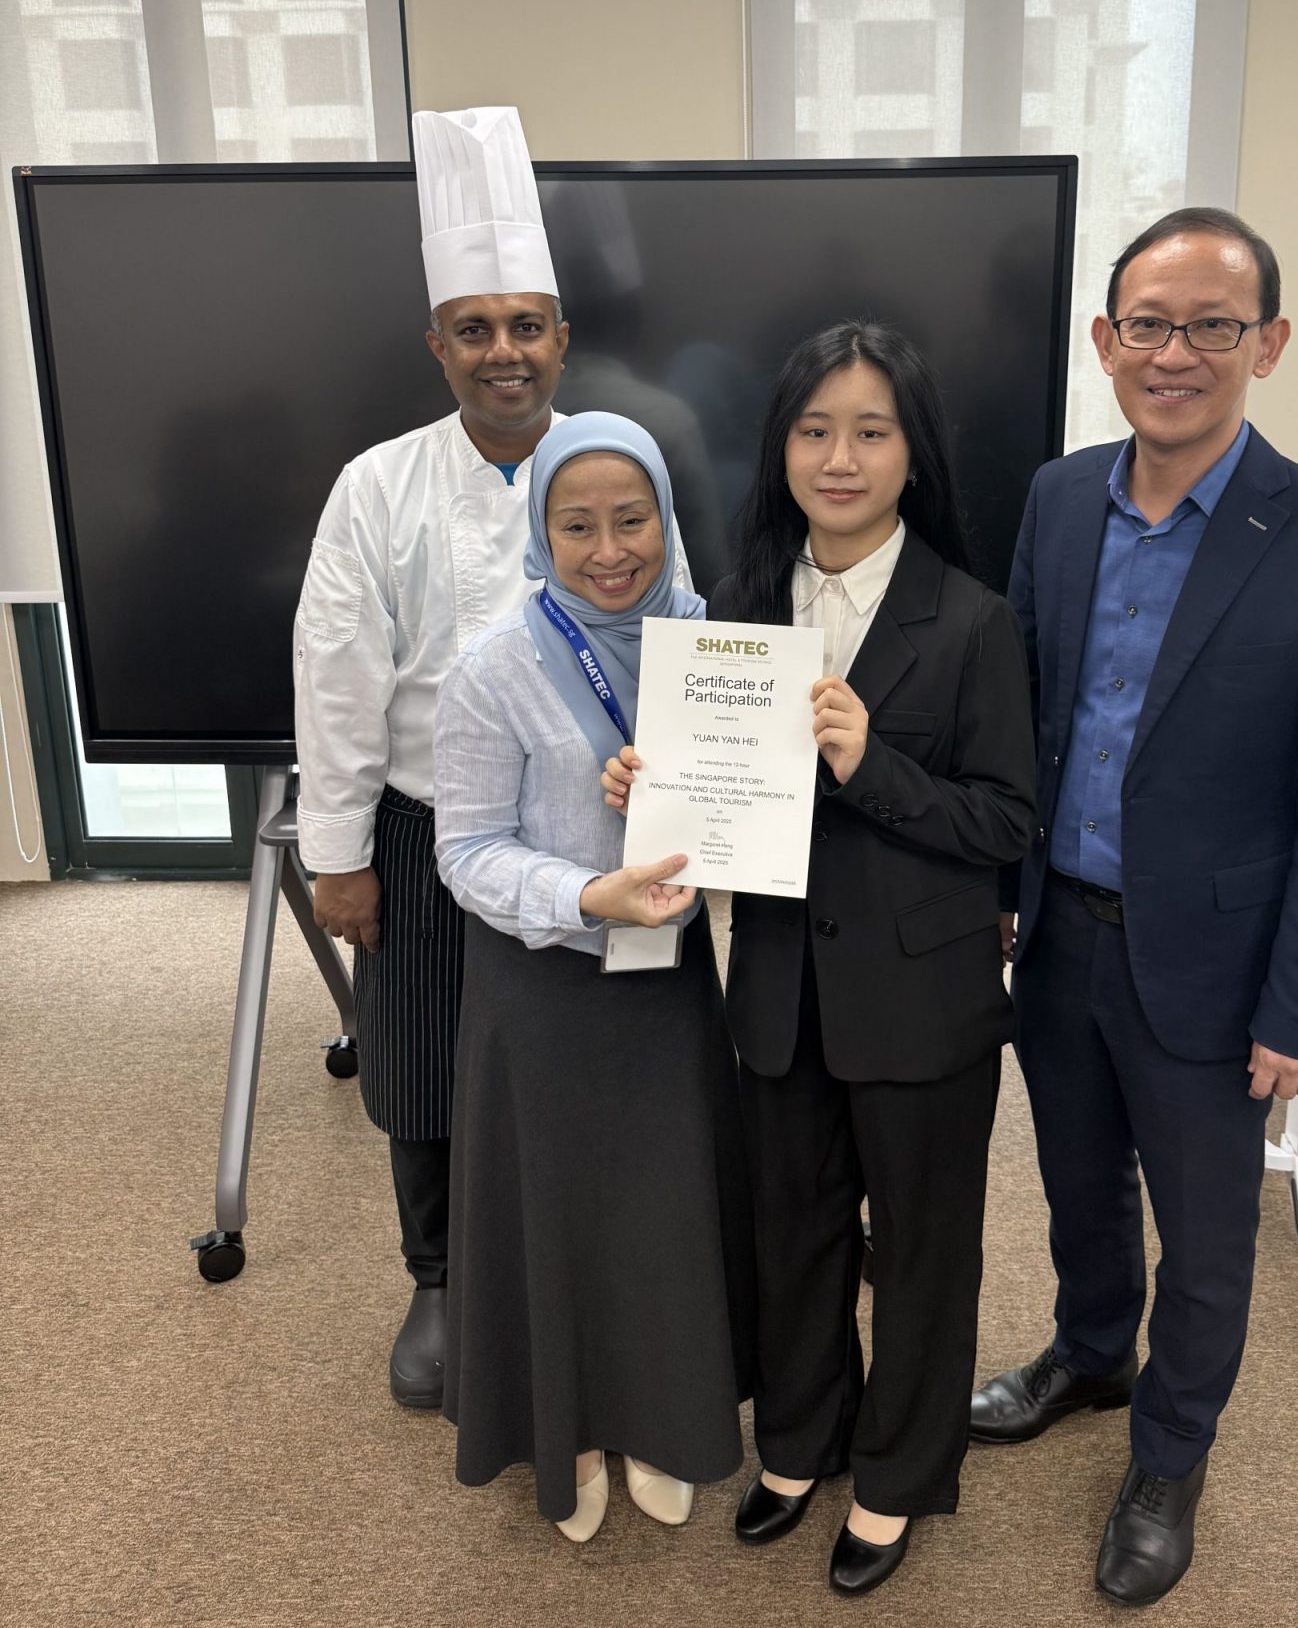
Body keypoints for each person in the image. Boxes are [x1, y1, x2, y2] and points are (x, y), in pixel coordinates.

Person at [971, 208, 1298, 1607]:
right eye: (1149, 325)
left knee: (1209, 1237)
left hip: (1220, 965)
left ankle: (1170, 1455)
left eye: (1212, 325)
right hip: (1060, 936)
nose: (1176, 353)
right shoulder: (1058, 499)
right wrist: (1001, 891)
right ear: (1106, 342)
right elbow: (1021, 714)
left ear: (1266, 345)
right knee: (1077, 1186)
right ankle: (1093, 1354)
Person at [605, 321, 1037, 1597]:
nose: (839, 457)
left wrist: (871, 763)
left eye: (870, 431)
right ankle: (798, 1443)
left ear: (914, 453)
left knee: (921, 1246)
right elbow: (718, 803)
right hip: (781, 984)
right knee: (790, 1229)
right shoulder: (735, 605)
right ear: (780, 447)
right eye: (814, 429)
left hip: (924, 993)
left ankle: (898, 1474)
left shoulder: (973, 618)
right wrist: (653, 788)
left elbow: (1006, 822)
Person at [432, 413, 755, 1542]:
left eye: (633, 519)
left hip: (669, 986)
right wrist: (585, 892)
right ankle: (564, 1423)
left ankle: (665, 1417)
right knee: (557, 1216)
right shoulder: (493, 667)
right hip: (543, 988)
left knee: (663, 1210)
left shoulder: (716, 649)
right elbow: (465, 850)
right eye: (577, 525)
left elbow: (751, 812)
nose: (609, 550)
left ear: (667, 518)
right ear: (540, 531)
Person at [293, 107, 570, 1409]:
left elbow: (680, 637)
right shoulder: (376, 487)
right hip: (420, 823)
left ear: (561, 334)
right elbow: (337, 677)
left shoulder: (619, 460)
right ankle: (442, 1276)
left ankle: (565, 1262)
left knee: (576, 1060)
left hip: (580, 831)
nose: (502, 351)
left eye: (525, 325)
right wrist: (338, 855)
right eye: (475, 328)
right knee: (418, 1063)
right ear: (438, 345)